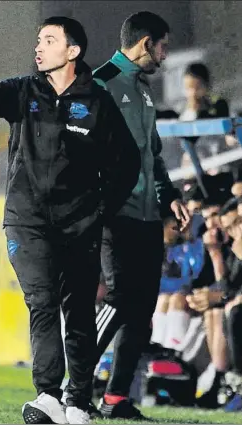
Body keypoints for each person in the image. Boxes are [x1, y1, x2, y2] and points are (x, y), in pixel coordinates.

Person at [0, 16, 140, 424]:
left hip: (80, 224)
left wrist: (101, 208)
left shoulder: (98, 101)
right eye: (38, 40)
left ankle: (78, 400)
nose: (38, 47)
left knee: (79, 312)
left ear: (73, 51)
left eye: (48, 40)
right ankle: (47, 395)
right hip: (26, 222)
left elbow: (127, 162)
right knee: (41, 302)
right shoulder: (24, 91)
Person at [91, 11, 191, 419]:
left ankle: (116, 398)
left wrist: (169, 197)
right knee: (117, 299)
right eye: (164, 46)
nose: (166, 55)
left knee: (142, 309)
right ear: (146, 42)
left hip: (149, 214)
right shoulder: (99, 84)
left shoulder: (144, 89)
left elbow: (152, 154)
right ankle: (67, 387)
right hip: (116, 212)